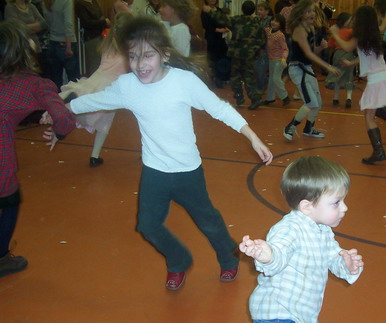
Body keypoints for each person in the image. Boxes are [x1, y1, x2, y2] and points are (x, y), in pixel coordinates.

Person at [68, 16, 273, 290]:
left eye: (148, 56)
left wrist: (252, 136)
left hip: (188, 171)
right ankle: (179, 259)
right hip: (155, 172)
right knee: (147, 225)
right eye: (133, 57)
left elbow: (220, 108)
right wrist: (60, 110)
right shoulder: (127, 86)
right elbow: (93, 100)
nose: (140, 64)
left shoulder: (183, 82)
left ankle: (228, 256)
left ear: (164, 55)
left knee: (208, 222)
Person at [240, 155, 363, 323]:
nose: (345, 208)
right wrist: (266, 255)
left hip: (301, 311)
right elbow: (278, 254)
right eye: (337, 202)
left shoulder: (321, 228)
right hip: (280, 317)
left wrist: (347, 265)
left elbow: (332, 255)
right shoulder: (290, 229)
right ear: (307, 206)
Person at [0, 20, 75, 277]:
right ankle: (1, 258)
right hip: (1, 162)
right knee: (9, 201)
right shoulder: (32, 84)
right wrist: (58, 131)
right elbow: (64, 118)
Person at [46, 12, 132, 167]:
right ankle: (94, 156)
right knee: (103, 122)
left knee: (83, 97)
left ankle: (63, 107)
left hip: (96, 79)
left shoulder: (108, 44)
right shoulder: (129, 50)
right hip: (111, 87)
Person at [330, 5, 386, 164]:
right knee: (371, 109)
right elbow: (366, 56)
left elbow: (346, 46)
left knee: (369, 115)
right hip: (383, 75)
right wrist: (352, 63)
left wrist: (335, 33)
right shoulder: (372, 35)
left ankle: (379, 151)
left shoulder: (360, 36)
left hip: (377, 78)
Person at [283, 0, 340, 141]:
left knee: (317, 103)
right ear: (301, 14)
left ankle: (308, 128)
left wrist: (320, 48)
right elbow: (308, 54)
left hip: (306, 68)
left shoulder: (311, 28)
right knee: (310, 102)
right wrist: (328, 66)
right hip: (297, 69)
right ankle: (290, 126)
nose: (312, 14)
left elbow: (310, 52)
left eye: (313, 11)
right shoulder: (299, 30)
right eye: (308, 11)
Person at [206, 0, 266, 109]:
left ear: (242, 9)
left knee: (235, 77)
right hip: (250, 55)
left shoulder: (237, 20)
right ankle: (256, 99)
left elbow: (222, 19)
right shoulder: (257, 23)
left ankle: (239, 97)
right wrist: (257, 50)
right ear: (253, 11)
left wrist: (210, 11)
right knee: (249, 77)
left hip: (236, 54)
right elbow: (262, 40)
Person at [42, 0, 80, 90]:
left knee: (56, 81)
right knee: (74, 81)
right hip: (67, 42)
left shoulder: (45, 2)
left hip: (52, 42)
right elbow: (68, 24)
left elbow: (47, 23)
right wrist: (69, 47)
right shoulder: (67, 1)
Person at [74, 0, 110, 76]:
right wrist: (103, 22)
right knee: (95, 65)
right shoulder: (79, 4)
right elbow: (86, 23)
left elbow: (100, 16)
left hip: (101, 35)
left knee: (101, 63)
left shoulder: (94, 2)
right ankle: (94, 82)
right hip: (91, 37)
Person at [326, 11, 354, 108]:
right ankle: (348, 98)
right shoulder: (351, 31)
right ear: (345, 21)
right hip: (349, 54)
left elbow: (330, 45)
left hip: (337, 54)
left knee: (337, 75)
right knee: (349, 76)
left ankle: (335, 98)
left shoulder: (336, 32)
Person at [200, 0, 229, 88]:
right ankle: (214, 78)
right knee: (213, 58)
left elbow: (224, 21)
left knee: (223, 57)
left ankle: (222, 78)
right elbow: (206, 25)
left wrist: (225, 28)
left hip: (221, 38)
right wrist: (218, 30)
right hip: (211, 37)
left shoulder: (219, 10)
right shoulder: (205, 11)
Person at [263, 13, 290, 106]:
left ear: (281, 24)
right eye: (273, 20)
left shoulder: (280, 35)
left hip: (279, 60)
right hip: (271, 60)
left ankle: (285, 97)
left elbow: (285, 49)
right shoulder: (268, 31)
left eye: (277, 21)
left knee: (275, 78)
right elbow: (261, 29)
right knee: (271, 79)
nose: (273, 22)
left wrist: (284, 59)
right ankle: (270, 98)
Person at [254, 1, 272, 92]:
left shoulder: (270, 21)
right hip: (257, 48)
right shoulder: (257, 20)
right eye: (258, 10)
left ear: (267, 11)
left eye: (261, 10)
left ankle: (260, 89)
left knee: (260, 69)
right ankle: (268, 82)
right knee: (256, 69)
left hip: (266, 48)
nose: (259, 12)